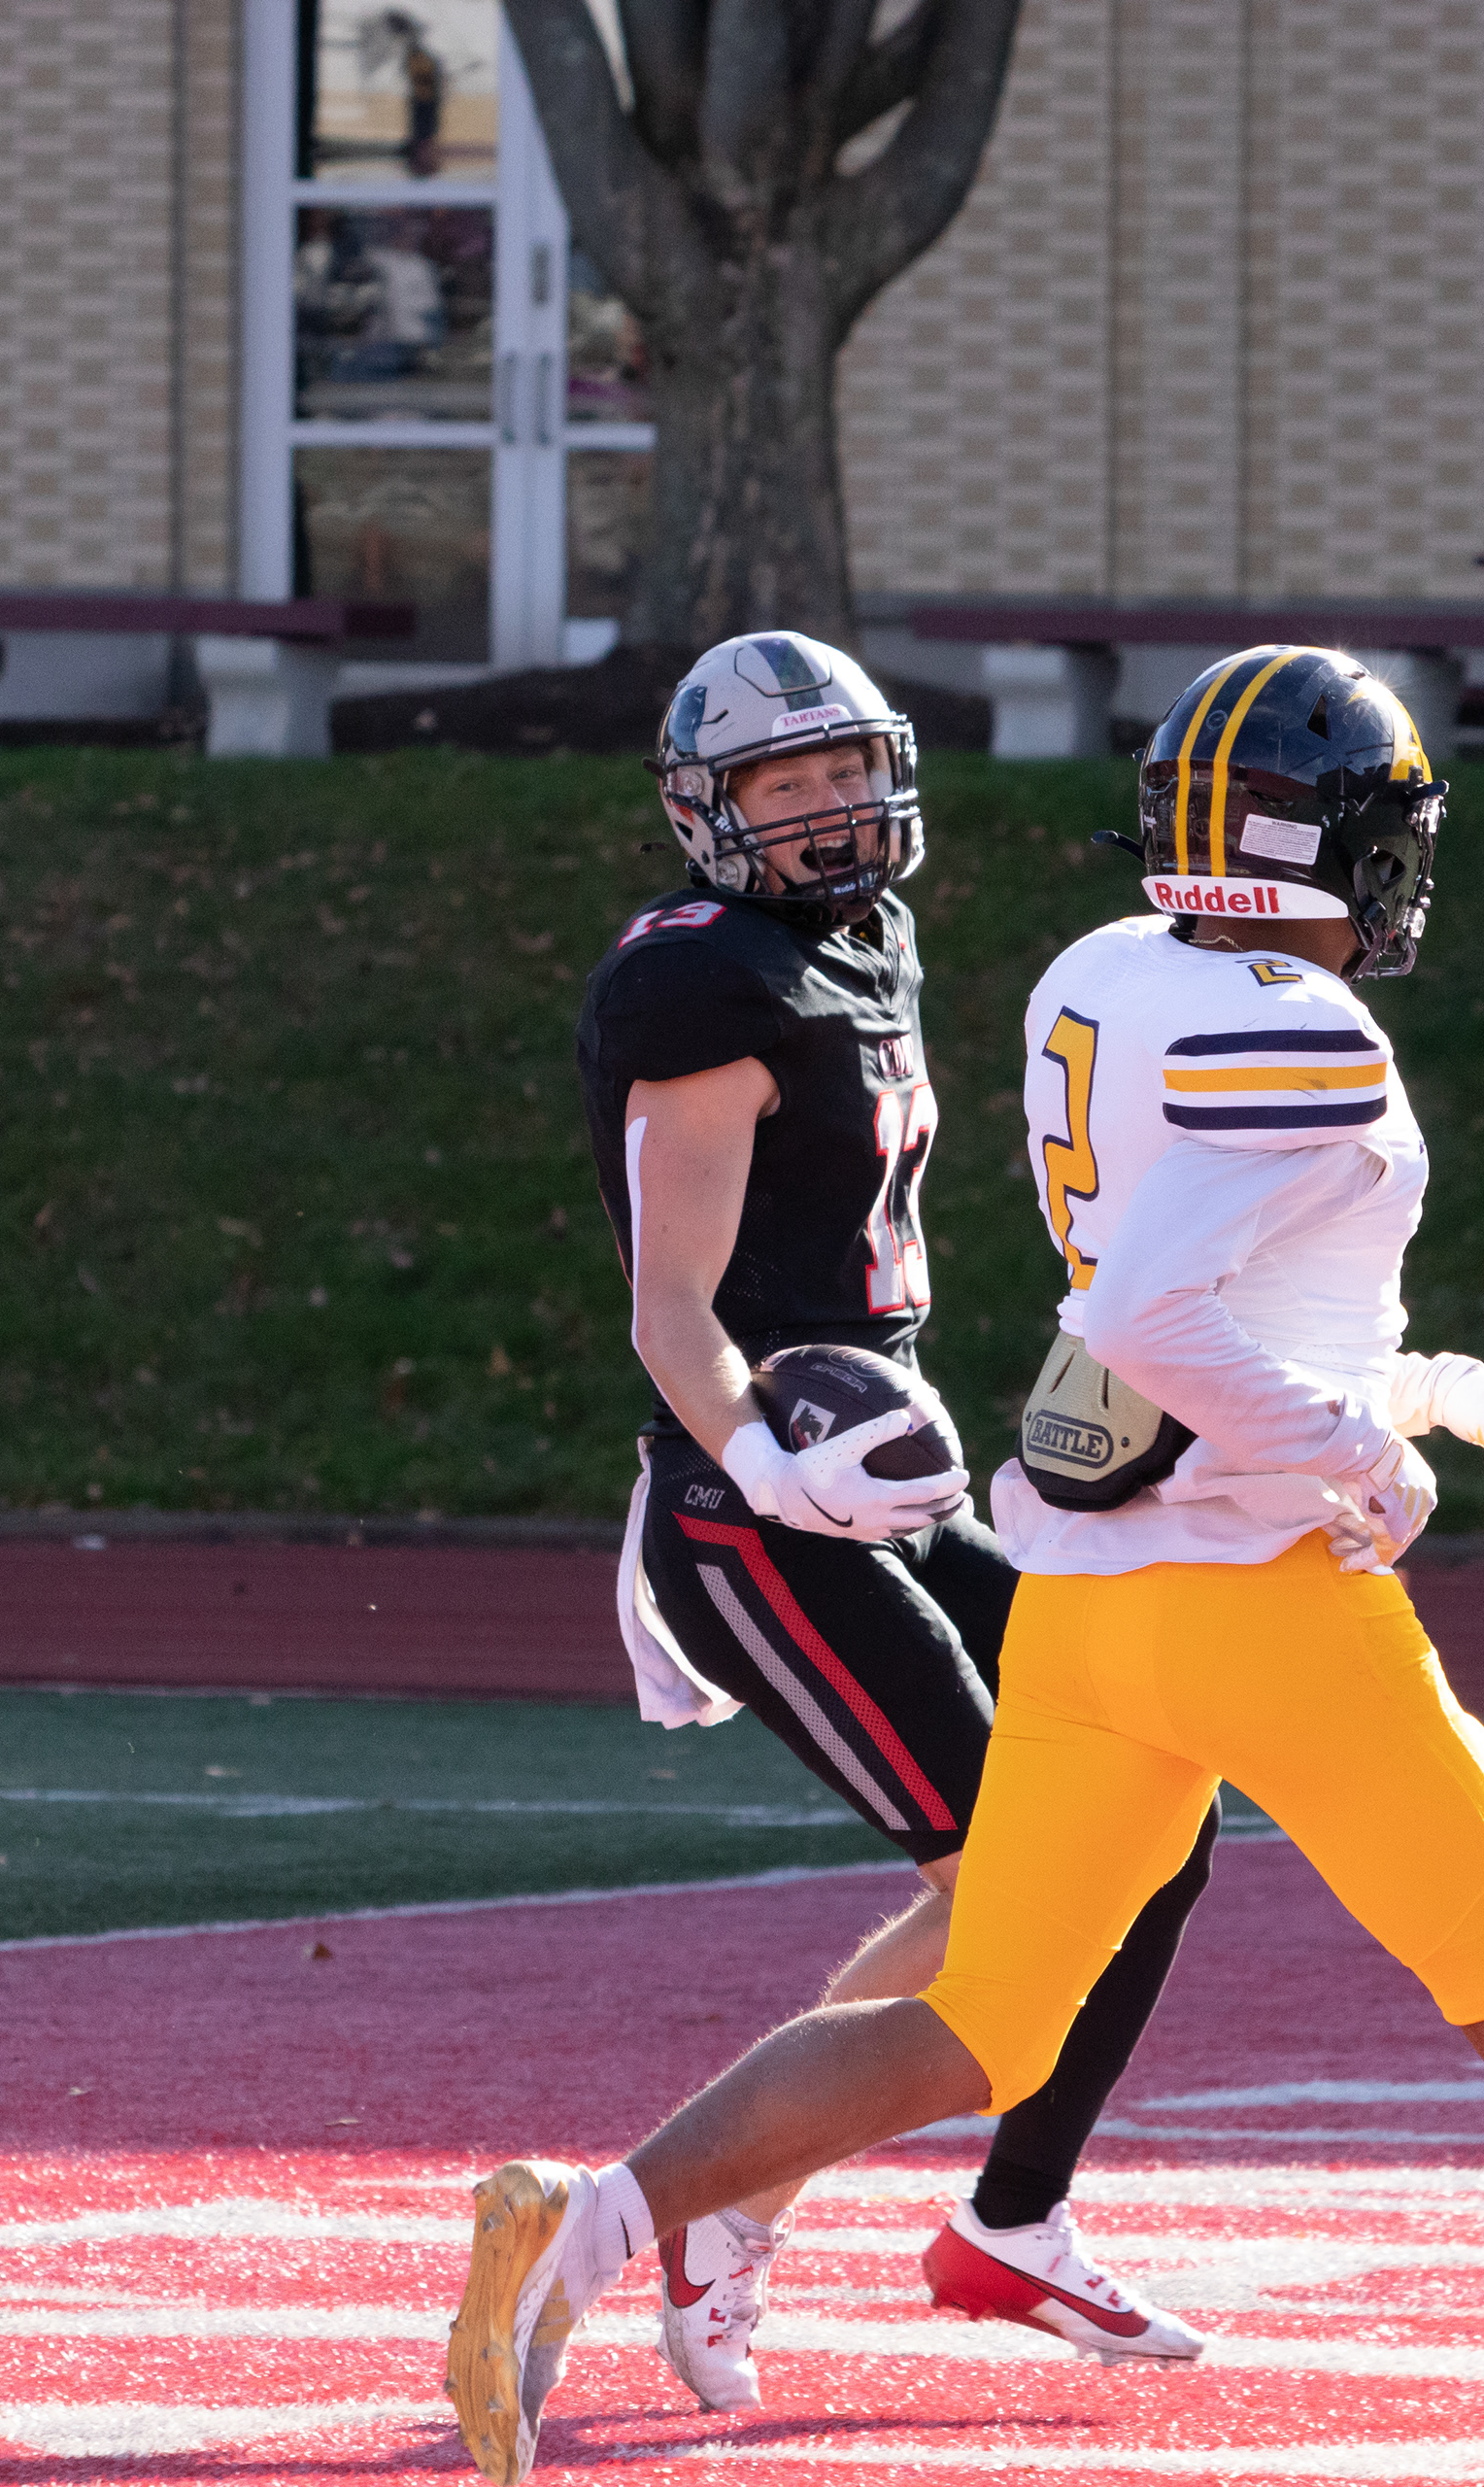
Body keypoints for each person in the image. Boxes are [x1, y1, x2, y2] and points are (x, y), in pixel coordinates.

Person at [455, 646, 1484, 2487]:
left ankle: (590, 2226)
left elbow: (1199, 1297)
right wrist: (1358, 1450)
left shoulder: (1100, 972)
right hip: (1266, 1607)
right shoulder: (1310, 1029)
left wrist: (1423, 1386)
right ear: (1307, 842)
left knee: (972, 2025)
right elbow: (1151, 1313)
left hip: (1087, 1601)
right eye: (1382, 830)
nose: (1403, 864)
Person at [573, 631, 1218, 2413]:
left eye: (846, 768)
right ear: (709, 810)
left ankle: (1015, 2214)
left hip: (885, 1480)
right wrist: (756, 1458)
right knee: (1012, 1875)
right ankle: (724, 2201)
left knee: (1157, 1811)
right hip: (760, 1507)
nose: (829, 807)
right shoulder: (704, 985)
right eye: (784, 784)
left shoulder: (869, 938)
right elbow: (670, 1308)